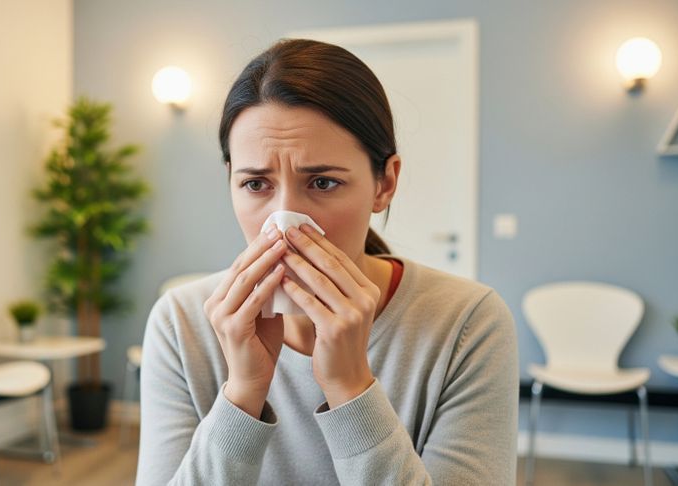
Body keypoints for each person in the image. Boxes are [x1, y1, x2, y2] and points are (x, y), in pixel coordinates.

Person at [136, 38, 518, 485]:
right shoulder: (181, 324)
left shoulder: (467, 324)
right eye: (256, 184)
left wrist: (351, 388)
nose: (284, 223)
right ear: (230, 183)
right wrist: (242, 395)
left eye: (322, 182)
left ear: (384, 184)